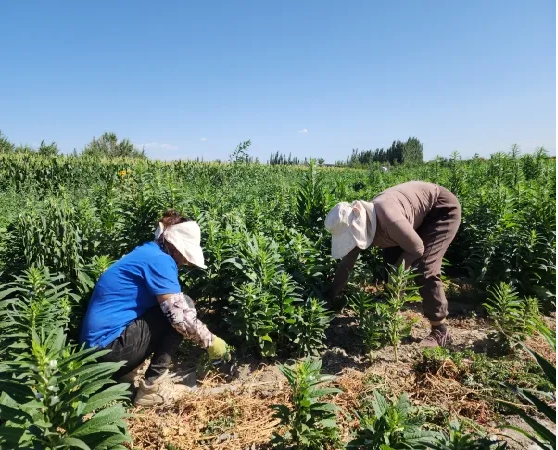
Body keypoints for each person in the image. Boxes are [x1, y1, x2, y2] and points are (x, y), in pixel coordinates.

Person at [79, 210, 230, 407]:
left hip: (97, 352)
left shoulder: (147, 252)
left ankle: (125, 376)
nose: (184, 262)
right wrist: (211, 341)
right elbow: (179, 317)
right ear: (175, 246)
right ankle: (151, 389)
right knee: (182, 307)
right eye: (184, 255)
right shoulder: (160, 260)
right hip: (107, 350)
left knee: (170, 306)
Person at [324, 181, 462, 348]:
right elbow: (347, 264)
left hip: (440, 210)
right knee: (391, 263)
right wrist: (330, 295)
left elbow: (417, 249)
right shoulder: (361, 221)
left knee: (425, 266)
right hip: (407, 218)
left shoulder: (389, 219)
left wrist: (398, 272)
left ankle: (440, 329)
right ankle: (392, 316)